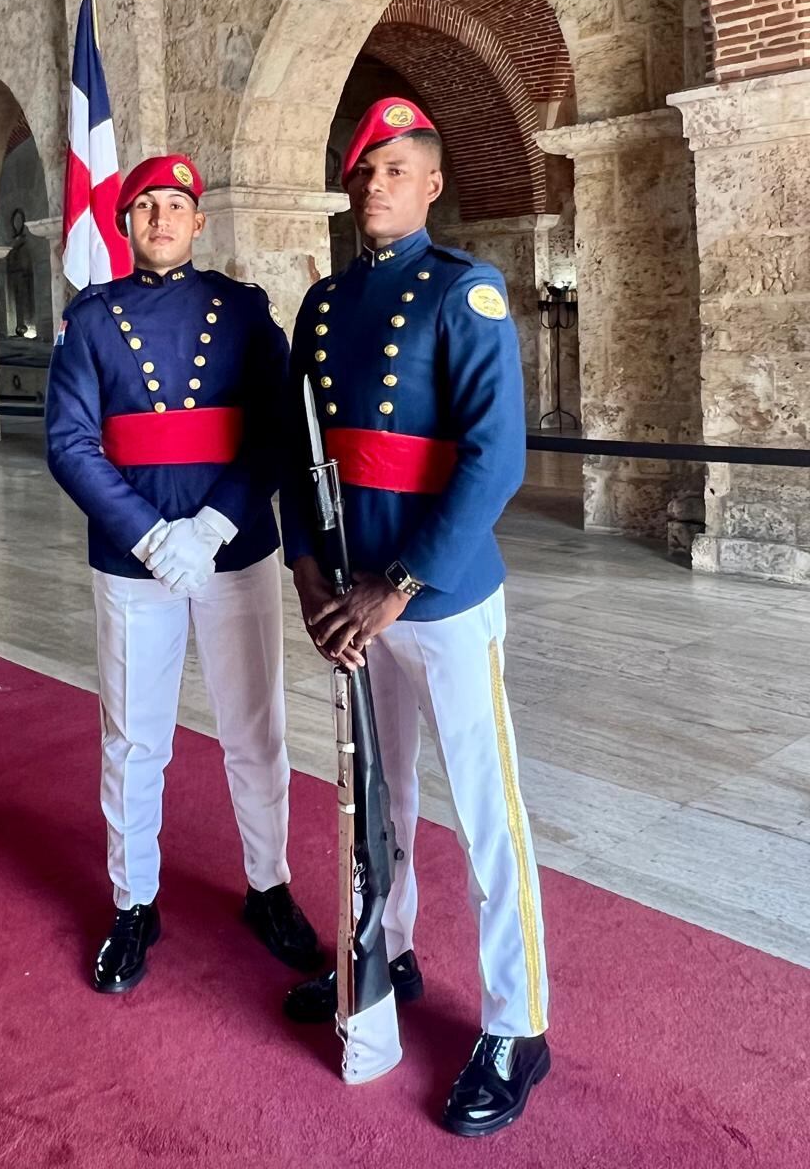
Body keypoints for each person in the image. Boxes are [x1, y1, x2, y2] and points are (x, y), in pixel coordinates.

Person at [280, 98, 550, 1137]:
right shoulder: (322, 305)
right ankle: (380, 955)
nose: (376, 185)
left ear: (431, 183)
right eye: (364, 171)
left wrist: (392, 587)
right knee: (377, 805)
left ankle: (519, 1024)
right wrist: (310, 577)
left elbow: (496, 462)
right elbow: (301, 458)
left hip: (435, 596)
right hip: (349, 600)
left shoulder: (463, 293)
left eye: (397, 169)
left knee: (488, 812)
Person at [46, 154, 321, 994]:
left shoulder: (241, 312)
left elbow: (277, 430)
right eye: (145, 208)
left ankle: (268, 886)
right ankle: (135, 903)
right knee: (134, 741)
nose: (161, 218)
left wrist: (211, 523)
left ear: (199, 221)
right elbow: (69, 443)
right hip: (135, 563)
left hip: (231, 550)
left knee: (255, 730)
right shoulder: (91, 320)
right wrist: (148, 535)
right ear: (125, 226)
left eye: (175, 205)